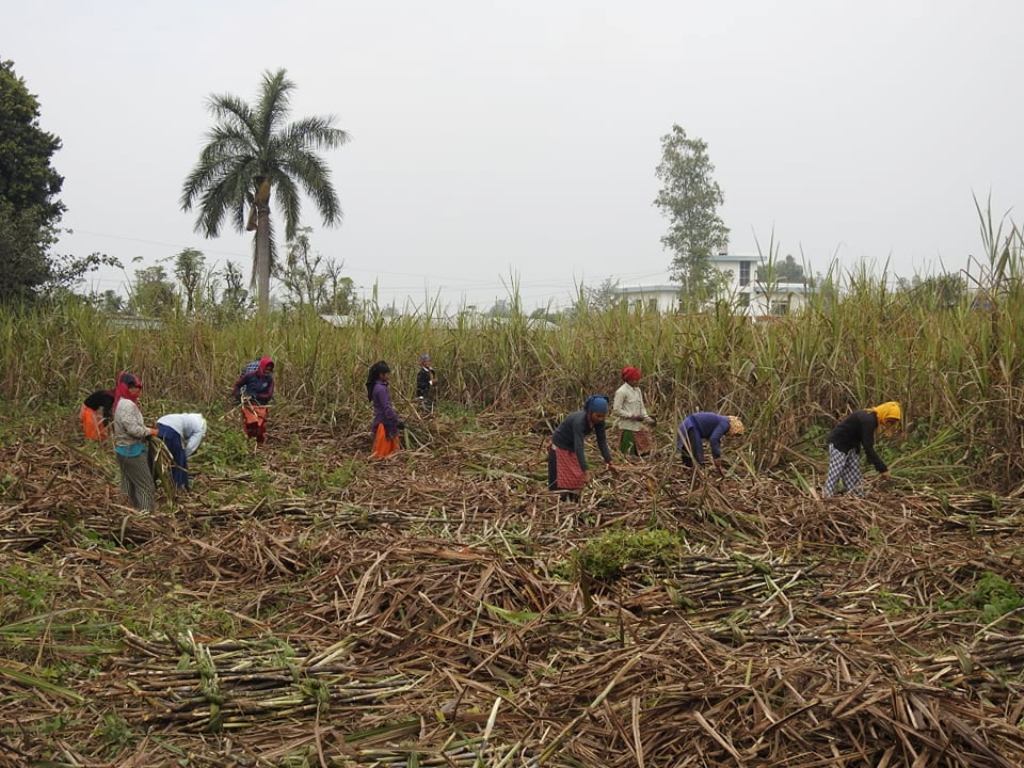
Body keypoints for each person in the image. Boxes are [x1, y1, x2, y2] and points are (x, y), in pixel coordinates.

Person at [824, 401, 901, 497]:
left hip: (852, 445)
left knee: (854, 472)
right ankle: (827, 497)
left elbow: (865, 442)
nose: (890, 424)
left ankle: (857, 496)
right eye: (890, 420)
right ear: (885, 414)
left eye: (893, 422)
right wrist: (882, 469)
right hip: (839, 443)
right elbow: (868, 446)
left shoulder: (872, 418)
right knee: (836, 471)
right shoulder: (869, 420)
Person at [547, 395, 616, 500]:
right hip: (560, 446)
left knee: (577, 478)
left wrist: (609, 461)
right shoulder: (579, 422)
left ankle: (572, 500)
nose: (601, 419)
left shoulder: (599, 422)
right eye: (598, 416)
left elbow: (602, 441)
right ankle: (559, 501)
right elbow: (579, 446)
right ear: (590, 412)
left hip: (572, 447)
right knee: (559, 481)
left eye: (603, 416)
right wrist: (586, 470)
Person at [111, 372, 158, 511]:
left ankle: (125, 511)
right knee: (145, 486)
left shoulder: (122, 402)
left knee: (128, 484)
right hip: (132, 452)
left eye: (139, 386)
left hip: (123, 451)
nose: (136, 389)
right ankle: (145, 516)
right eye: (132, 386)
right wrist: (151, 431)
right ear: (125, 387)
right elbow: (133, 430)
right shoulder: (127, 405)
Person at [677, 412, 745, 473]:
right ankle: (700, 478)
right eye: (736, 434)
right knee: (699, 459)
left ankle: (688, 473)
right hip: (692, 426)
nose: (733, 437)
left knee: (687, 454)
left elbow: (712, 436)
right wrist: (717, 457)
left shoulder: (721, 420)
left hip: (685, 425)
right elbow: (714, 439)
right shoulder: (725, 424)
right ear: (735, 428)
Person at [155, 413, 207, 490]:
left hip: (160, 423)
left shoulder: (189, 419)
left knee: (158, 456)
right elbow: (191, 447)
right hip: (171, 430)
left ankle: (151, 480)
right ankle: (178, 486)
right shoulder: (199, 429)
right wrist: (183, 456)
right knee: (179, 460)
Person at [612, 366, 655, 456]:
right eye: (635, 380)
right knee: (628, 454)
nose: (638, 381)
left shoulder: (637, 390)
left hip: (638, 427)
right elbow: (616, 410)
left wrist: (648, 419)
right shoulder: (621, 392)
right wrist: (632, 416)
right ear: (629, 380)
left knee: (644, 452)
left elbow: (641, 407)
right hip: (627, 428)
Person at [367, 361, 404, 459]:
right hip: (384, 424)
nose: (388, 376)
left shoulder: (378, 386)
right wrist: (396, 420)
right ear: (381, 375)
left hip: (381, 421)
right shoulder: (381, 389)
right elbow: (386, 408)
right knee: (383, 454)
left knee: (385, 455)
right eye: (387, 374)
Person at [233, 357, 274, 443]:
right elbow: (237, 385)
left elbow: (269, 395)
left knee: (260, 427)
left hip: (261, 405)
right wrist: (238, 395)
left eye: (269, 370)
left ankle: (259, 444)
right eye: (266, 369)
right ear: (262, 367)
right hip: (249, 405)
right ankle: (247, 443)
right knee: (251, 423)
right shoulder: (250, 376)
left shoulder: (270, 380)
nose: (267, 371)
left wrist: (257, 396)